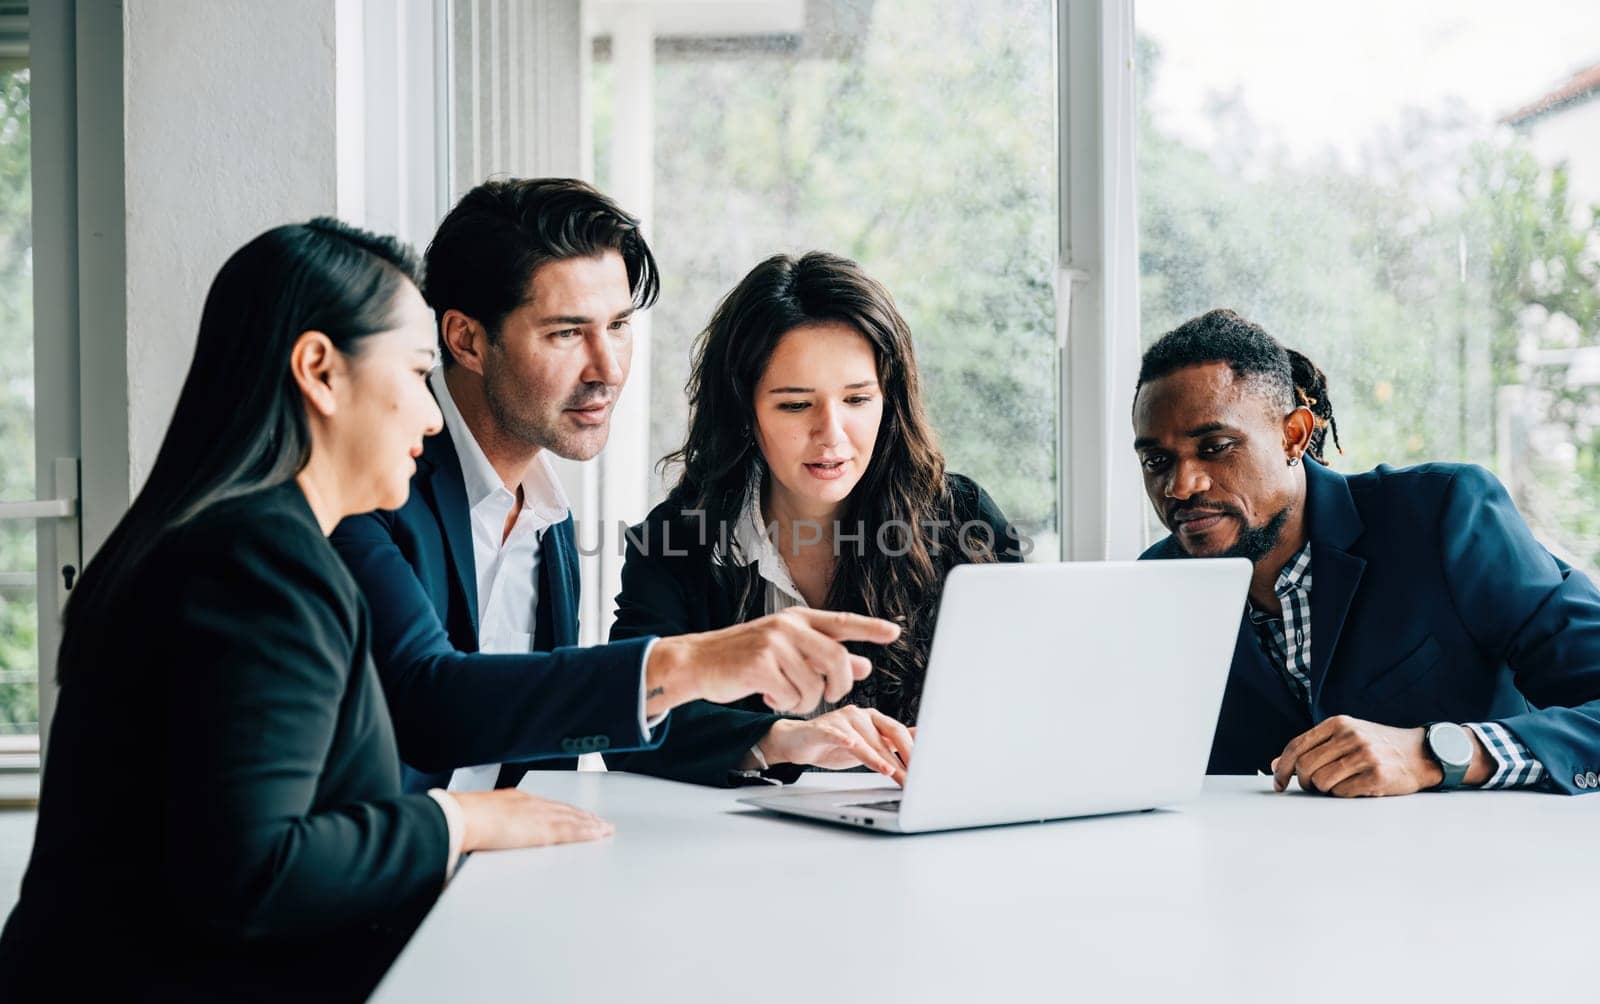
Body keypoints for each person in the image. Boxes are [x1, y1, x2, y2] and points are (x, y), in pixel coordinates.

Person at [0, 220, 620, 1004]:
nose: (434, 420)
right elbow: (253, 870)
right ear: (320, 371)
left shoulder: (235, 537)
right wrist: (460, 819)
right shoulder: (255, 561)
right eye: (415, 375)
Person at [330, 179, 902, 794]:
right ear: (467, 340)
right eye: (567, 333)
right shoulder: (369, 485)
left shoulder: (546, 518)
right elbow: (425, 701)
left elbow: (544, 749)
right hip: (385, 873)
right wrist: (697, 664)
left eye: (620, 325)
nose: (608, 369)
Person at [1132, 308, 1600, 796]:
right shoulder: (1157, 585)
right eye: (1156, 461)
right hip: (1256, 868)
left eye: (1216, 446)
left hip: (1480, 861)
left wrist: (1439, 754)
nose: (1181, 486)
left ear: (1292, 435)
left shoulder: (1442, 516)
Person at [610, 251, 1024, 785]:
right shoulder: (677, 538)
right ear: (745, 410)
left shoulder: (964, 522)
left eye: (856, 399)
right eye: (795, 405)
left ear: (888, 401)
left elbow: (1027, 695)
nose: (832, 434)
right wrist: (783, 740)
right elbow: (624, 721)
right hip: (733, 848)